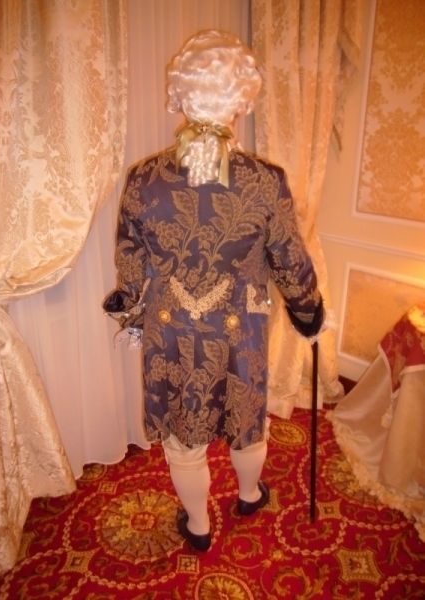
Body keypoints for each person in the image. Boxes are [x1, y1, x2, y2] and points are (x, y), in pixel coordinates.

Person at [103, 29, 323, 552]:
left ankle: (199, 524)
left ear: (181, 96)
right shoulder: (265, 181)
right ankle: (249, 495)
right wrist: (308, 309)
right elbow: (288, 258)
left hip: (170, 329)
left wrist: (129, 308)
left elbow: (129, 258)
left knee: (184, 434)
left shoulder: (143, 179)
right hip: (239, 328)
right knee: (247, 418)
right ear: (242, 101)